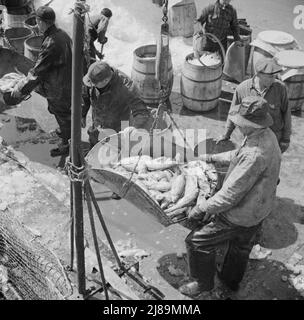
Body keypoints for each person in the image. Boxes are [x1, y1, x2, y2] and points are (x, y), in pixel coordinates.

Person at [179, 96, 281, 298]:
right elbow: (238, 155)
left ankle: (203, 284)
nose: (239, 126)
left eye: (242, 123)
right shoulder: (266, 135)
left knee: (197, 241)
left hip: (241, 212)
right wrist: (211, 158)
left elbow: (229, 197)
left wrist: (201, 207)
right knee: (241, 246)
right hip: (260, 208)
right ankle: (230, 280)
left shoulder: (255, 154)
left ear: (250, 124)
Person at [11, 6, 72, 158]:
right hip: (67, 79)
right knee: (61, 112)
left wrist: (21, 88)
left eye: (37, 21)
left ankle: (67, 144)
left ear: (40, 21)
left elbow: (38, 72)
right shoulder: (62, 34)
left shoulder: (51, 42)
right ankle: (65, 131)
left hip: (58, 85)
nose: (37, 24)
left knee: (62, 114)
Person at [218, 57, 292, 154]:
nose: (274, 79)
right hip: (250, 139)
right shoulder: (242, 89)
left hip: (274, 137)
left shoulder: (280, 88)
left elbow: (286, 114)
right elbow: (233, 113)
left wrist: (285, 139)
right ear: (258, 74)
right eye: (270, 77)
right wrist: (226, 134)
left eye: (275, 76)